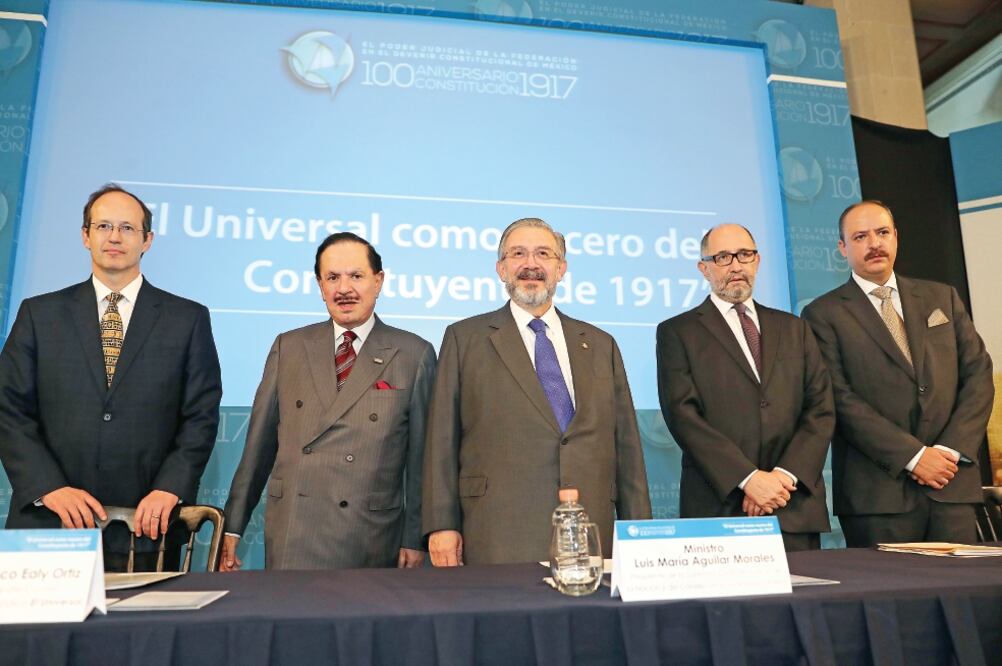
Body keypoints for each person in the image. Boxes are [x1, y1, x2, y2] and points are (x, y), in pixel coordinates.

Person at [0, 183, 222, 571]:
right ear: (85, 236)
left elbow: (199, 417)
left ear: (147, 240)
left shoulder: (187, 319)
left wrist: (170, 487)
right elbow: (9, 409)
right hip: (50, 527)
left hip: (145, 530)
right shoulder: (39, 315)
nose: (114, 237)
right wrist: (48, 487)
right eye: (103, 226)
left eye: (127, 228)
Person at [422, 217, 651, 566]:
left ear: (561, 268)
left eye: (543, 253)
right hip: (498, 532)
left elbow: (628, 449)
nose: (531, 264)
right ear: (501, 269)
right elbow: (441, 439)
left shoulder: (601, 344)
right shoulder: (464, 339)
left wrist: (639, 534)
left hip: (590, 533)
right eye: (518, 254)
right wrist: (441, 525)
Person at [222, 232, 435, 570]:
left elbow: (422, 459)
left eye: (356, 276)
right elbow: (257, 451)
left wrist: (414, 537)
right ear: (320, 285)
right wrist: (231, 528)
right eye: (332, 277)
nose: (344, 288)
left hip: (372, 537)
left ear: (378, 281)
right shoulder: (288, 348)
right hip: (296, 533)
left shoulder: (414, 353)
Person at [803, 201, 994, 547]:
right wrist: (914, 456)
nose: (874, 243)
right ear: (842, 248)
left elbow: (978, 375)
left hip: (951, 485)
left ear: (896, 237)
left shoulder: (942, 297)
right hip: (878, 497)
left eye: (882, 232)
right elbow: (838, 397)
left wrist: (949, 451)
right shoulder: (822, 314)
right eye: (860, 236)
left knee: (966, 597)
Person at [656, 224, 834, 551]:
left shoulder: (795, 328)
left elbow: (820, 410)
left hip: (791, 504)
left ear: (757, 261)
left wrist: (781, 478)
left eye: (744, 255)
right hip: (719, 507)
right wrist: (750, 480)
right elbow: (683, 416)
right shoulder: (677, 333)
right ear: (704, 268)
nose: (736, 265)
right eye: (723, 257)